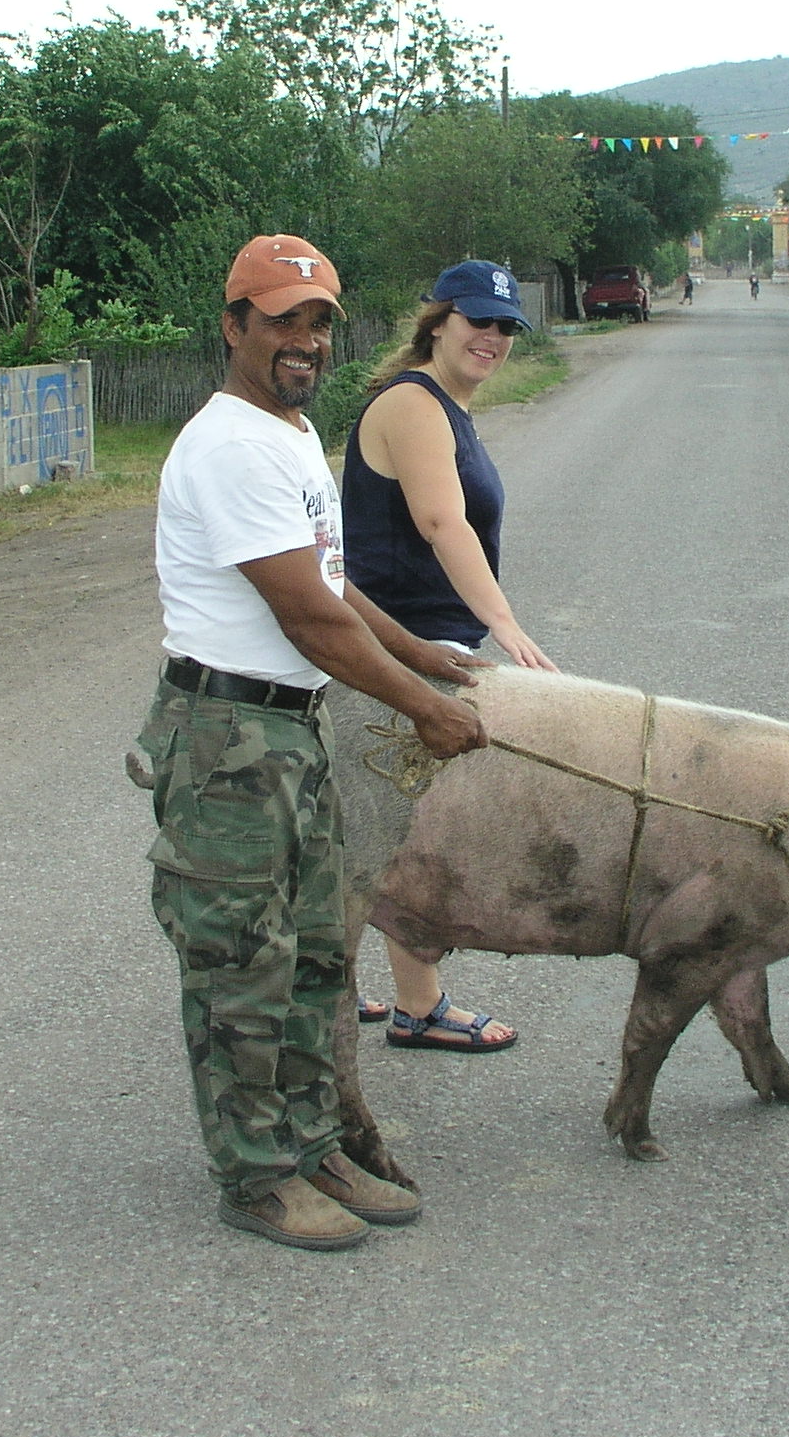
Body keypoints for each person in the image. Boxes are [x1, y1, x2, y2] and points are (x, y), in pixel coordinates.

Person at [137, 233, 486, 1253]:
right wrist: (423, 709)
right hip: (226, 737)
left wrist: (417, 649)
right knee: (242, 968)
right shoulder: (232, 446)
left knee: (318, 955)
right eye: (281, 319)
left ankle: (313, 1145)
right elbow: (308, 618)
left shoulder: (288, 432)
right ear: (233, 326)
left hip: (286, 727)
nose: (304, 339)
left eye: (320, 322)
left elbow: (331, 584)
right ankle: (255, 1175)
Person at [342, 260, 555, 1054]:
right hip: (402, 646)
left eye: (505, 326)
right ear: (438, 321)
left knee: (373, 826)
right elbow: (441, 521)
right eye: (476, 320)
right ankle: (418, 1007)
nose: (491, 337)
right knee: (411, 834)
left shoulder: (447, 407)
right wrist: (505, 623)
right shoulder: (413, 403)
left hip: (427, 641)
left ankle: (329, 983)